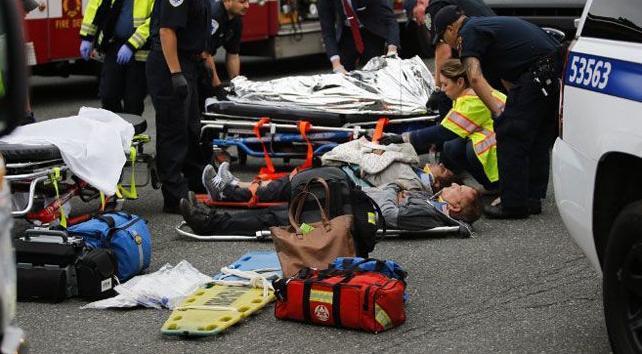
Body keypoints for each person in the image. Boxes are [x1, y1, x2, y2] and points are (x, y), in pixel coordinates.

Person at [429, 5, 562, 219]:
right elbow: (508, 77)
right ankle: (531, 198)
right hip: (552, 70)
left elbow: (473, 76)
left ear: (451, 29)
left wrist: (500, 114)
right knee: (537, 135)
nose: (447, 43)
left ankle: (513, 204)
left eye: (443, 37)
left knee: (509, 133)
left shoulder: (468, 33)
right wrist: (513, 106)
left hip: (537, 73)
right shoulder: (487, 26)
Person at [146, 0, 225, 213]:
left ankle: (196, 182)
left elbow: (194, 30)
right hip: (170, 64)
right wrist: (176, 73)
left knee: (191, 127)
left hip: (187, 63)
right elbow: (167, 31)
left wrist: (203, 64)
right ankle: (174, 195)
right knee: (173, 130)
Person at [79, 0, 169, 115]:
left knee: (133, 101)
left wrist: (131, 44)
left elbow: (157, 19)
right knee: (108, 95)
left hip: (142, 52)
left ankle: (132, 142)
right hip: (114, 46)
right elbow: (97, 3)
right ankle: (116, 137)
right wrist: (87, 36)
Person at [179, 181, 483, 236]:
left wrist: (391, 190)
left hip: (348, 220)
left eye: (458, 189)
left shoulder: (431, 214)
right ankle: (228, 198)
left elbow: (388, 216)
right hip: (352, 205)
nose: (453, 185)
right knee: (296, 193)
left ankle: (210, 222)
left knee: (283, 218)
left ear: (454, 206)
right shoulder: (432, 203)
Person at [380, 59, 506, 192]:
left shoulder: (473, 101)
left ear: (460, 82)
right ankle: (492, 186)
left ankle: (499, 186)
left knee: (468, 149)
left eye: (445, 84)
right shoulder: (468, 94)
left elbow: (444, 131)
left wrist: (403, 138)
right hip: (500, 134)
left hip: (507, 142)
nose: (443, 89)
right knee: (452, 146)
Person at [402, 0, 495, 116]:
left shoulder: (433, 9)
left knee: (446, 98)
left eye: (414, 15)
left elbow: (444, 53)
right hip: (494, 47)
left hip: (484, 53)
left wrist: (438, 88)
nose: (418, 21)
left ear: (421, 2)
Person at [201, 160, 460, 203]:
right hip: (351, 175)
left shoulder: (416, 185)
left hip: (351, 184)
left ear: (438, 183)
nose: (440, 164)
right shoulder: (416, 171)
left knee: (294, 186)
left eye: (445, 170)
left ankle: (229, 191)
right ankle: (237, 185)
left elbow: (383, 189)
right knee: (294, 179)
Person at [318, 0, 400, 73]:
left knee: (376, 73)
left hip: (371, 31)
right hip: (348, 32)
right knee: (340, 75)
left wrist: (392, 49)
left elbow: (389, 19)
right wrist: (336, 65)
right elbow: (327, 30)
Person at [203, 0, 250, 100]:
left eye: (248, 1)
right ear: (228, 1)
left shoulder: (237, 20)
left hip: (203, 61)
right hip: (188, 62)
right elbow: (205, 53)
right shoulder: (215, 16)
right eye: (242, 1)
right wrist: (217, 86)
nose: (247, 6)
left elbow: (233, 54)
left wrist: (235, 85)